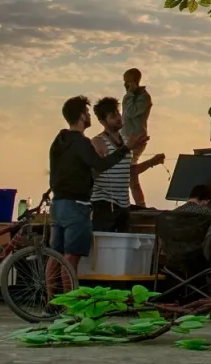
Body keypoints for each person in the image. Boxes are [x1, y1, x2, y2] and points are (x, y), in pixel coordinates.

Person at [48, 96, 129, 263]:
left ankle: (52, 290)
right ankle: (70, 290)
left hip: (58, 203)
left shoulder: (58, 141)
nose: (89, 116)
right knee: (71, 256)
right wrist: (126, 149)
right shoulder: (81, 142)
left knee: (56, 256)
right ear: (82, 116)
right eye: (87, 112)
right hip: (76, 205)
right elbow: (99, 165)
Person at [89, 96, 162, 234]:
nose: (118, 118)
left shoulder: (126, 142)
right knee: (105, 246)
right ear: (102, 121)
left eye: (118, 113)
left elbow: (129, 171)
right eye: (112, 116)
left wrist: (152, 162)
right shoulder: (98, 142)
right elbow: (93, 172)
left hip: (123, 204)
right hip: (104, 204)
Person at [120, 67, 154, 206]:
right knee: (131, 178)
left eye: (127, 82)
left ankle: (138, 205)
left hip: (136, 139)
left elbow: (130, 112)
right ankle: (141, 205)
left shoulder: (143, 97)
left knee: (128, 173)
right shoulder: (130, 96)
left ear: (134, 82)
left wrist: (129, 95)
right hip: (126, 139)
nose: (125, 85)